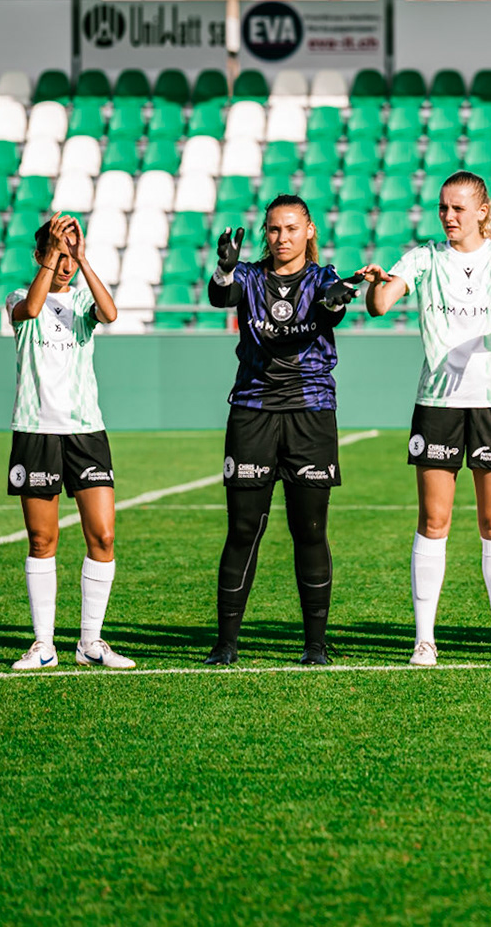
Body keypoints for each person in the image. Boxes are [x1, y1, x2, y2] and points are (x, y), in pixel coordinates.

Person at [365, 170, 491, 668]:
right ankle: (425, 639)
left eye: (458, 208)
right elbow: (381, 304)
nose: (448, 216)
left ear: (482, 212)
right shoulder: (423, 257)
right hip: (437, 405)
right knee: (434, 520)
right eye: (443, 208)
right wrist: (378, 286)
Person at [203, 196, 373, 666]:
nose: (283, 238)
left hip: (310, 413)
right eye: (275, 230)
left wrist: (337, 300)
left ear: (310, 231)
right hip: (253, 412)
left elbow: (332, 302)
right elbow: (222, 296)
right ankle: (226, 643)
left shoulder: (321, 277)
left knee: (310, 530)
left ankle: (315, 645)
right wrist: (222, 269)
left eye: (292, 229)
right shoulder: (251, 277)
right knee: (242, 529)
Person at [4, 214, 132, 670]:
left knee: (103, 534)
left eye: (70, 256)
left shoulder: (81, 300)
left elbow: (111, 314)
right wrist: (55, 253)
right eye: (56, 254)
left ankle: (90, 643)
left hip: (85, 430)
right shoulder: (19, 296)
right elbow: (34, 310)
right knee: (43, 538)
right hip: (36, 430)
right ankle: (43, 645)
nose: (65, 265)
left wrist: (82, 258)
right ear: (40, 255)